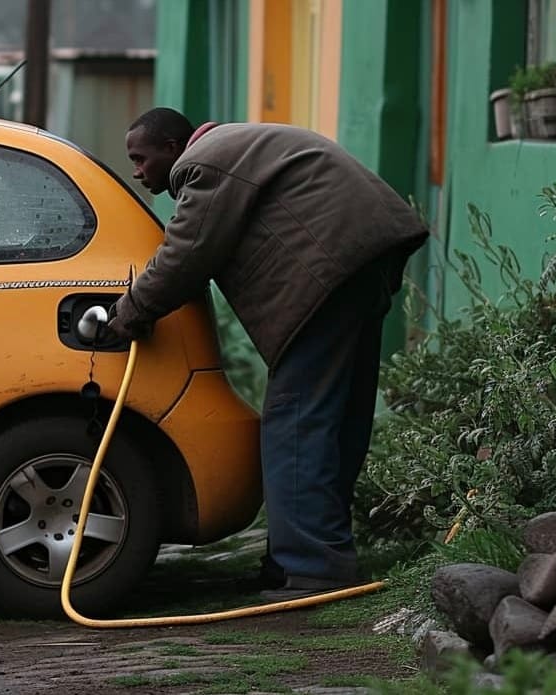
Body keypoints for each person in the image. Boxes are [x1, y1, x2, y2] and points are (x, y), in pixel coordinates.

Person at [107, 107, 429, 600]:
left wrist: (128, 314)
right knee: (338, 417)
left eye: (140, 158)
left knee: (295, 420)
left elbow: (186, 254)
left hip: (330, 273)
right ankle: (305, 558)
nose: (137, 171)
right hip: (363, 261)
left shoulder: (203, 164)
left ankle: (311, 567)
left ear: (173, 148)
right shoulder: (237, 145)